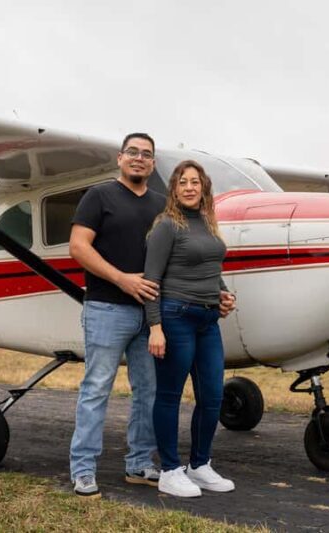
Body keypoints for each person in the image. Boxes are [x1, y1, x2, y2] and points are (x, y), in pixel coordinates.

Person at [68, 132, 166, 498]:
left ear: (153, 163)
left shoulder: (161, 204)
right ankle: (83, 469)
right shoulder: (99, 196)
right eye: (133, 152)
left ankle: (140, 463)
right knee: (96, 389)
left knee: (149, 392)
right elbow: (79, 246)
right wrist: (122, 280)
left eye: (147, 154)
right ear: (120, 158)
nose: (139, 158)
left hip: (150, 315)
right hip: (107, 307)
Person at [144, 159, 237, 498]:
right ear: (174, 188)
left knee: (212, 395)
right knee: (169, 395)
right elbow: (151, 280)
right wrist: (155, 326)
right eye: (182, 182)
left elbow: (212, 267)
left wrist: (223, 294)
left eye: (195, 182)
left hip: (208, 320)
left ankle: (199, 465)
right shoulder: (167, 225)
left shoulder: (209, 224)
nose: (189, 187)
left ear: (204, 187)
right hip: (175, 316)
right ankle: (170, 470)